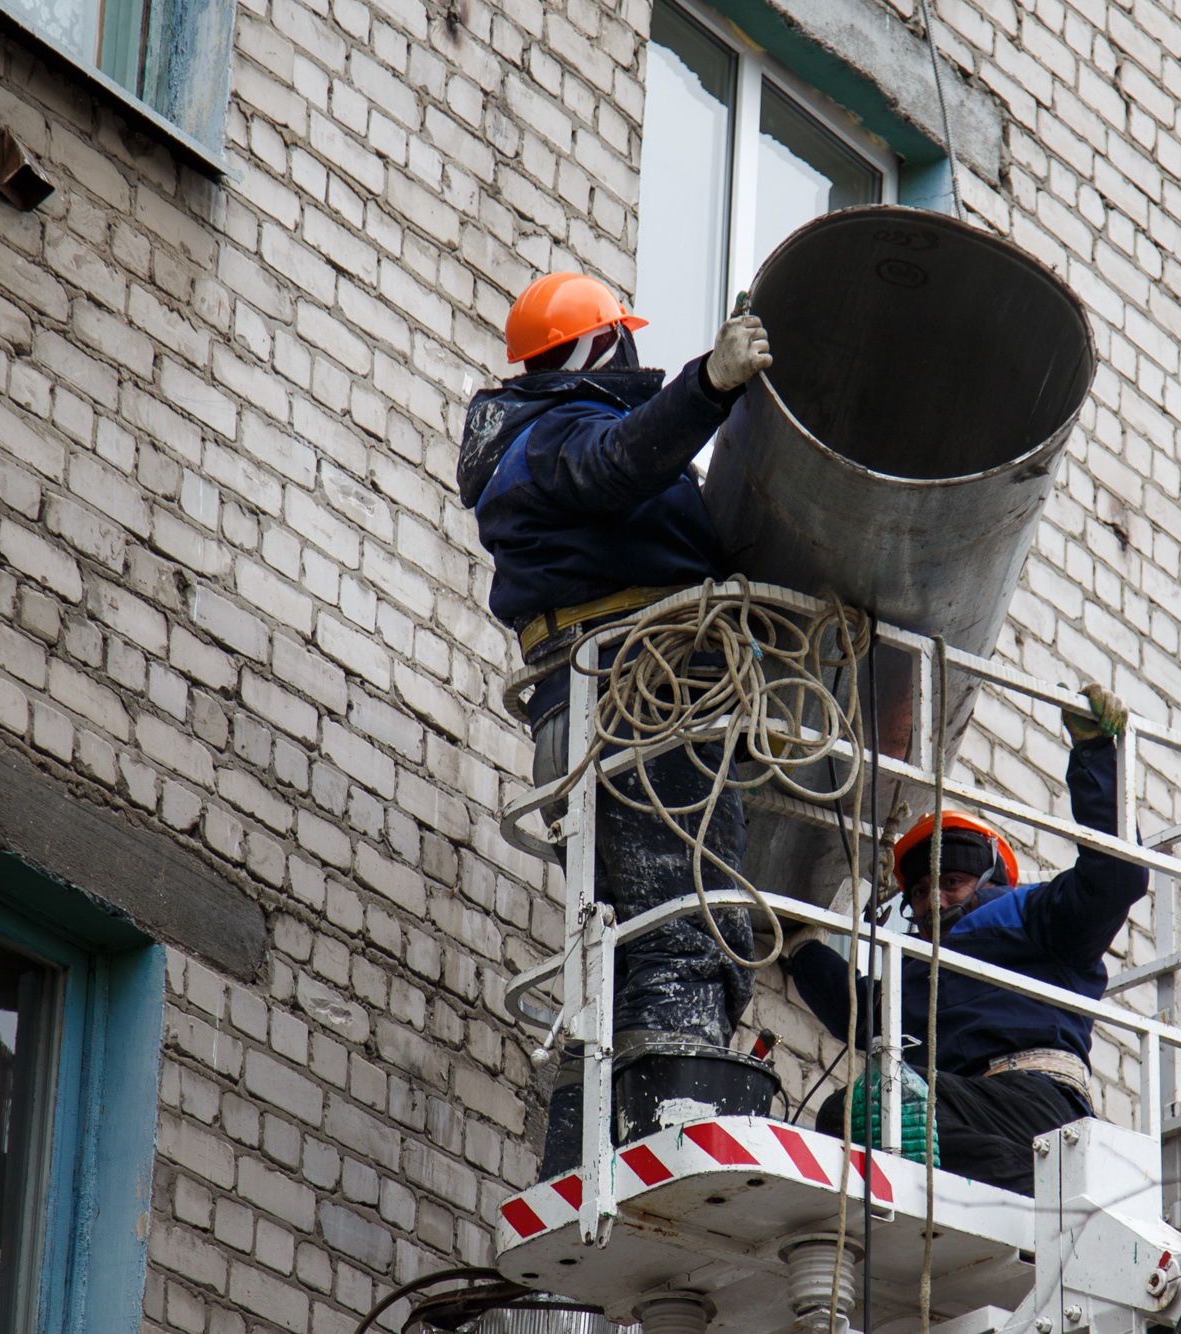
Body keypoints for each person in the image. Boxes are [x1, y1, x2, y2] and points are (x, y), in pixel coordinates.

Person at [456, 273, 772, 1173]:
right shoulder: (549, 438)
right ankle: (671, 1137)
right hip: (638, 698)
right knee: (685, 928)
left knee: (627, 950)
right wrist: (708, 384)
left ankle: (582, 1152)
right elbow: (617, 461)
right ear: (601, 349)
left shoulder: (543, 441)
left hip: (611, 707)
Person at [780, 684, 1142, 1195]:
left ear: (990, 881)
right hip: (959, 1108)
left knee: (883, 1112)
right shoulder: (913, 972)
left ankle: (1049, 1193)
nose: (935, 901)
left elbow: (1116, 880)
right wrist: (798, 941)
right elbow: (860, 1012)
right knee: (848, 1114)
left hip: (1036, 1101)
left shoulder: (1033, 917)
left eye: (951, 883)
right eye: (922, 891)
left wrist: (1096, 756)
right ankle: (1035, 1187)